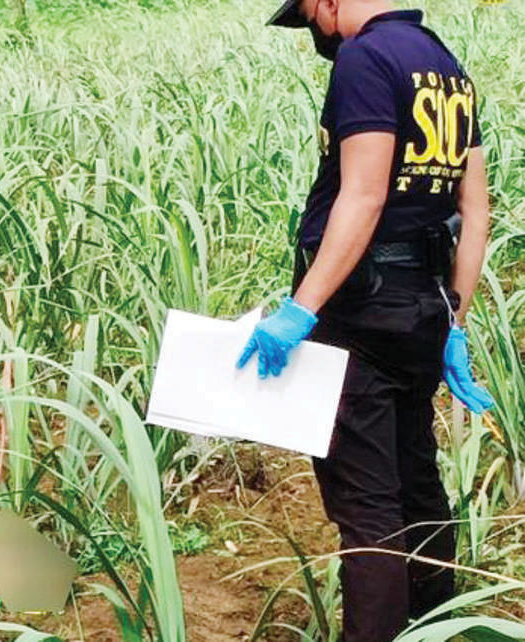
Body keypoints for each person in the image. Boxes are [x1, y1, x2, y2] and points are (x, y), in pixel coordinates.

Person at [239, 1, 495, 640]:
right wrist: (453, 320)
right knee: (415, 475)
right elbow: (475, 210)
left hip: (362, 312)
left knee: (368, 505)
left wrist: (303, 309)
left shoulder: (364, 57)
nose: (320, 35)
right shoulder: (447, 67)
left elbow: (364, 192)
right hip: (423, 306)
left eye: (313, 19)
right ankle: (438, 623)